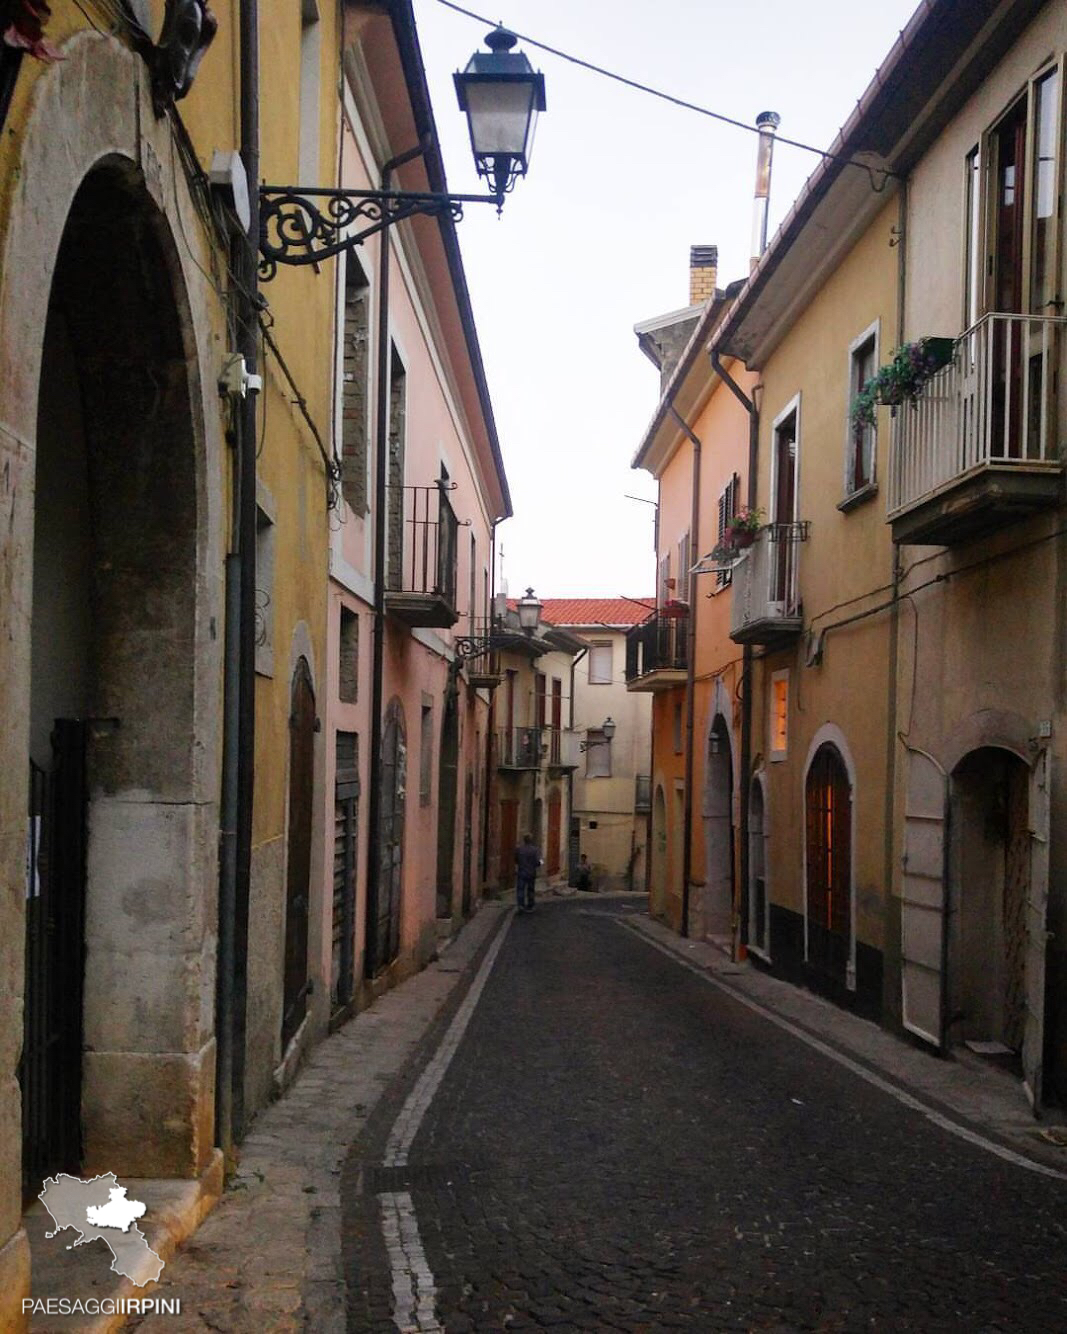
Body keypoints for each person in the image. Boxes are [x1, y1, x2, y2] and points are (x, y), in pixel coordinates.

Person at [514, 833, 541, 913]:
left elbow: (516, 860)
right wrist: (540, 862)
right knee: (531, 889)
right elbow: (538, 862)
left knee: (520, 889)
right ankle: (530, 905)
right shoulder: (535, 850)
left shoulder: (519, 849)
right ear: (531, 840)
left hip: (522, 871)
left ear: (524, 840)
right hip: (531, 872)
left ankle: (521, 905)